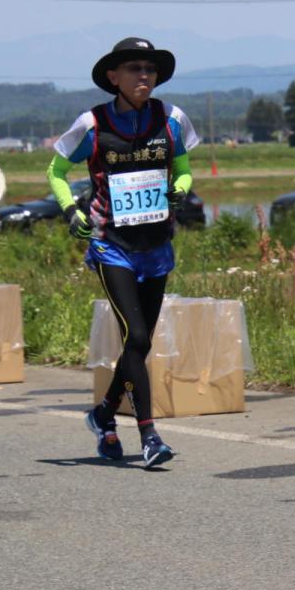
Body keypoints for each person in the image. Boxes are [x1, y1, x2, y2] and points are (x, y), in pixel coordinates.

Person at [48, 37, 199, 468]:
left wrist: (181, 190)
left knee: (139, 344)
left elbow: (184, 167)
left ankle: (102, 414)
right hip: (111, 245)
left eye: (149, 69)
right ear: (113, 77)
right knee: (137, 336)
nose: (143, 76)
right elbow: (57, 170)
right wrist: (69, 208)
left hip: (156, 246)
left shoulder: (171, 118)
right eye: (134, 69)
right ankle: (149, 435)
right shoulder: (92, 124)